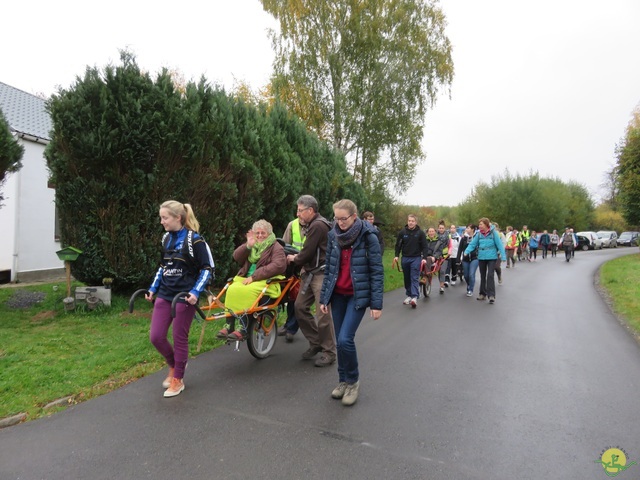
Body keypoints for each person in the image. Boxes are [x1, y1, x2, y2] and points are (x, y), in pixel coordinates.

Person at [146, 200, 214, 398]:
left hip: (184, 296)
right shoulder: (166, 238)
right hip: (166, 294)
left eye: (164, 218)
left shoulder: (196, 240)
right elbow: (163, 267)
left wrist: (195, 292)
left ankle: (178, 379)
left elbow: (207, 268)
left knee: (179, 337)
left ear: (178, 218)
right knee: (156, 336)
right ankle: (174, 365)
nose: (162, 222)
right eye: (161, 218)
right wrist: (153, 288)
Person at [320, 199, 383, 406]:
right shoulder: (333, 236)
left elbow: (376, 271)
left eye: (343, 218)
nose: (339, 223)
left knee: (346, 339)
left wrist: (376, 304)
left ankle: (353, 381)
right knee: (340, 341)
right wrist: (324, 298)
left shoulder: (368, 237)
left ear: (354, 217)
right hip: (337, 295)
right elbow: (329, 269)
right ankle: (342, 381)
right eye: (336, 218)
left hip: (357, 296)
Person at [286, 195, 336, 367]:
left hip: (320, 275)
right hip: (309, 274)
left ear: (310, 210)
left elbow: (306, 253)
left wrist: (294, 258)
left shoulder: (318, 225)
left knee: (323, 314)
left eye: (300, 210)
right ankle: (316, 343)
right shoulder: (311, 224)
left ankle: (329, 352)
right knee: (299, 307)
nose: (297, 214)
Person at [217, 219, 287, 340]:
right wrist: (248, 246)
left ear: (269, 234)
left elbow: (279, 265)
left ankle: (243, 328)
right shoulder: (253, 244)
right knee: (232, 289)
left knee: (246, 292)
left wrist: (254, 276)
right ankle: (229, 325)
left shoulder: (276, 247)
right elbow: (236, 257)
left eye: (263, 233)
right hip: (247, 279)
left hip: (265, 281)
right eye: (257, 233)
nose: (260, 236)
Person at [464, 217, 506, 304]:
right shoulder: (479, 234)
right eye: (479, 224)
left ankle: (491, 295)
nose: (479, 226)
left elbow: (499, 245)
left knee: (490, 275)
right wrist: (466, 251)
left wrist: (503, 256)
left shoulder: (493, 233)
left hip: (492, 257)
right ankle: (482, 294)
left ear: (486, 225)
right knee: (482, 275)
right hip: (482, 257)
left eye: (481, 224)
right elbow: (473, 244)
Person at [278, 217, 306, 342]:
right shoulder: (292, 224)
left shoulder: (315, 226)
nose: (298, 213)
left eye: (301, 210)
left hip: (308, 265)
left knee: (300, 299)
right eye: (298, 210)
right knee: (292, 296)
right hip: (293, 266)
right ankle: (289, 323)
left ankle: (292, 328)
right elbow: (284, 244)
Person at [394, 214, 428, 307]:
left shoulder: (420, 233)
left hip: (416, 258)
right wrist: (396, 255)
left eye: (412, 221)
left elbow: (425, 246)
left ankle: (414, 297)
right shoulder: (402, 232)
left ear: (416, 222)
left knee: (414, 276)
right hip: (405, 258)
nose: (410, 222)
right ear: (407, 221)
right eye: (409, 221)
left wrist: (424, 258)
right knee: (407, 277)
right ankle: (409, 295)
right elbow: (398, 245)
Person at [425, 226, 447, 294]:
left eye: (432, 231)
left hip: (435, 258)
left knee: (442, 271)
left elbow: (440, 251)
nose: (431, 233)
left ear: (435, 232)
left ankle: (441, 285)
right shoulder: (424, 240)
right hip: (425, 256)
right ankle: (421, 275)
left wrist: (434, 256)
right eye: (430, 231)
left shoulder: (439, 241)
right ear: (427, 233)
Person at [459, 224, 479, 297]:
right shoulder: (464, 238)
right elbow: (460, 249)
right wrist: (458, 259)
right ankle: (469, 284)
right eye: (466, 228)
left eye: (468, 228)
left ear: (473, 229)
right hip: (465, 259)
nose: (466, 229)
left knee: (471, 274)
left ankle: (470, 289)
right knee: (466, 275)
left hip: (475, 258)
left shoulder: (477, 237)